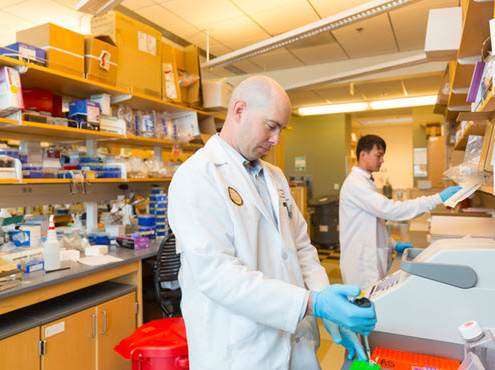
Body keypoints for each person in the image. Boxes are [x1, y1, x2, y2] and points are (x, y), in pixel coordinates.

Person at [168, 76, 377, 369]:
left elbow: (302, 249)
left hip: (296, 341)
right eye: (271, 126)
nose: (277, 139)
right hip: (240, 351)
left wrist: (326, 308)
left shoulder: (275, 176)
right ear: (239, 111)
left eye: (281, 129)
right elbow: (218, 275)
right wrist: (311, 304)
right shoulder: (197, 177)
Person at [339, 134, 461, 290]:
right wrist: (437, 198)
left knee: (374, 302)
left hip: (369, 258)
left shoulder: (365, 182)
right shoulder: (355, 183)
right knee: (365, 307)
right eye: (379, 155)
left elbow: (372, 224)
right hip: (361, 264)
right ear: (363, 155)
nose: (382, 160)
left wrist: (393, 244)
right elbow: (389, 210)